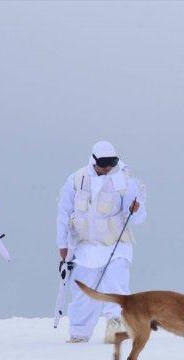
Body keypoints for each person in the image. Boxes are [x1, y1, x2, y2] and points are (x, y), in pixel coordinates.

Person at [56, 140, 147, 343]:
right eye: (103, 163)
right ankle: (79, 333)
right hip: (85, 245)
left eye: (111, 163)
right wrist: (62, 244)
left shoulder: (125, 180)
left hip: (115, 244)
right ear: (94, 160)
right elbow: (63, 212)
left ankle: (115, 327)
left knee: (116, 286)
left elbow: (137, 216)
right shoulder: (76, 179)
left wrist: (136, 209)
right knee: (82, 290)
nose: (107, 168)